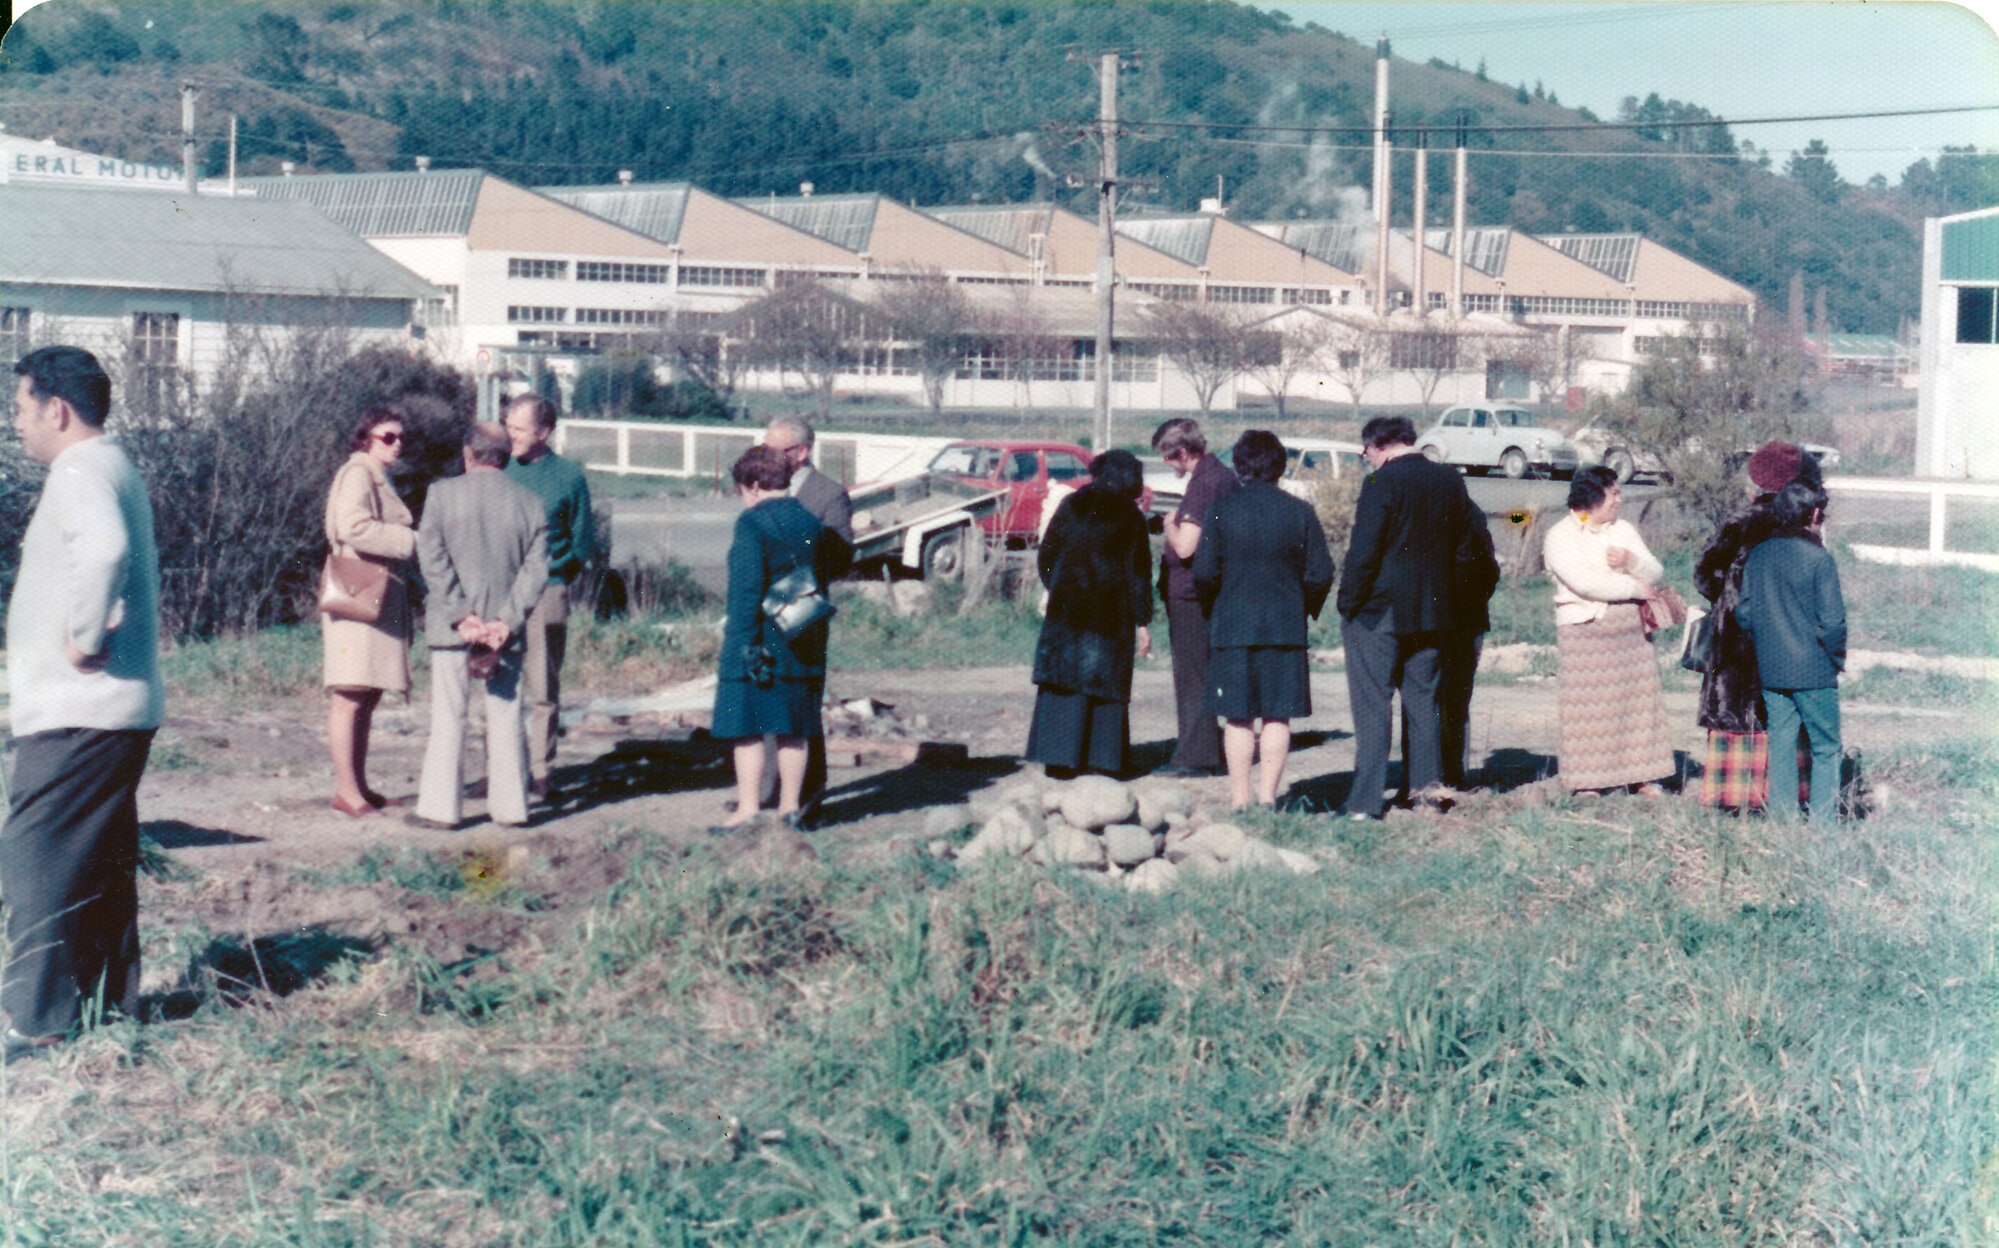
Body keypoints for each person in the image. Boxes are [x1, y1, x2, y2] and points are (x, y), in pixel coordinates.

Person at [2, 346, 164, 1063]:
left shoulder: (77, 471)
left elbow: (104, 551)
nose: (16, 424)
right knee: (97, 864)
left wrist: (81, 637)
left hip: (79, 709)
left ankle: (35, 1023)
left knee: (35, 861)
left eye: (19, 408)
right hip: (107, 711)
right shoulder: (112, 463)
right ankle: (103, 1006)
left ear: (55, 409)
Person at [1336, 415, 1490, 820]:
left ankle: (1364, 803)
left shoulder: (1380, 482)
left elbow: (1364, 552)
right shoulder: (1450, 480)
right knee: (1424, 703)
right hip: (1434, 611)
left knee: (1373, 705)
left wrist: (1347, 602)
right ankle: (1425, 794)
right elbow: (1462, 548)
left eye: (1365, 452)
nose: (1367, 460)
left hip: (1380, 612)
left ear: (1377, 446)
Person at [409, 423, 549, 830]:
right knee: (506, 717)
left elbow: (431, 556)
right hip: (506, 632)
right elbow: (537, 569)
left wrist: (460, 614)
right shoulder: (530, 503)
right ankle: (511, 809)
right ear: (505, 456)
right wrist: (507, 620)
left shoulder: (441, 494)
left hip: (453, 629)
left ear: (468, 453)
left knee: (449, 716)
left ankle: (441, 810)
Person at [1194, 431, 1335, 810]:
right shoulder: (1300, 511)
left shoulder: (1221, 509)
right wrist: (1299, 607)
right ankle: (1269, 798)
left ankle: (1240, 800)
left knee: (1237, 717)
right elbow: (1321, 573)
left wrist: (1216, 608)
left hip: (1233, 625)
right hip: (1285, 627)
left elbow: (1204, 574)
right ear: (1280, 465)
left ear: (1239, 465)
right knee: (1277, 714)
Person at [710, 445, 847, 833]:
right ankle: (790, 808)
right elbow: (825, 572)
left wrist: (736, 648)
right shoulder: (810, 521)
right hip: (802, 636)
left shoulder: (751, 524)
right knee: (794, 727)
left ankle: (749, 808)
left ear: (752, 485)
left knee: (748, 728)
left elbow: (746, 594)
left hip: (758, 641)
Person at [1693, 442, 1824, 811]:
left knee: (1737, 709)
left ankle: (1735, 796)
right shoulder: (1802, 525)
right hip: (1789, 640)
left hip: (1737, 642)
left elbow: (1704, 576)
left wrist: (1731, 595)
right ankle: (1787, 794)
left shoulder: (1740, 521)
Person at [1543, 465, 1674, 797]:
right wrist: (1633, 586)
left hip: (1629, 633)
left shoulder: (1624, 529)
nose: (1620, 499)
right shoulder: (1561, 535)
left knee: (1638, 705)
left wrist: (1632, 560)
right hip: (1584, 631)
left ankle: (1642, 776)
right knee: (1587, 709)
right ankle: (1589, 781)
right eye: (1614, 492)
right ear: (1593, 496)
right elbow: (1584, 583)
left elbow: (1655, 571)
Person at [1024, 449, 1154, 780]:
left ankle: (1058, 758)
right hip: (1111, 615)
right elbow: (1138, 574)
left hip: (1067, 609)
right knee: (1103, 680)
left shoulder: (1072, 505)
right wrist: (1142, 620)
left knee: (1063, 679)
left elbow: (1047, 554)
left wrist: (1060, 587)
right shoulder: (1130, 516)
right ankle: (1102, 760)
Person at [323, 407, 419, 817]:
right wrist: (408, 540)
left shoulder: (371, 474)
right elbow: (352, 528)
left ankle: (358, 787)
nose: (397, 444)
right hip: (359, 596)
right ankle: (348, 792)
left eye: (400, 437)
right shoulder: (358, 473)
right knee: (349, 694)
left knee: (366, 693)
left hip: (372, 598)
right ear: (365, 438)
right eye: (387, 437)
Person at [503, 394, 599, 802]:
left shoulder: (569, 478)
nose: (511, 436)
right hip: (501, 594)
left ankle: (542, 773)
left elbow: (581, 543)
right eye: (507, 426)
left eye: (520, 429)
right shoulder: (498, 468)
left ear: (544, 433)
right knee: (502, 687)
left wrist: (555, 579)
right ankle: (502, 771)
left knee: (543, 688)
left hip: (546, 593)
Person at [759, 416, 854, 824]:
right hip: (763, 606)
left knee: (802, 704)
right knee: (764, 696)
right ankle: (765, 794)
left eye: (774, 451)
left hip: (803, 608)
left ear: (800, 453)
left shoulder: (829, 494)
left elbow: (839, 556)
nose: (766, 459)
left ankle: (808, 801)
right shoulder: (762, 486)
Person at [1737, 478, 1846, 823]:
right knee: (1826, 748)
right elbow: (1832, 624)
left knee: (1781, 746)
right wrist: (1836, 659)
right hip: (1814, 670)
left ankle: (1783, 825)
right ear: (1814, 514)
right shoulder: (1819, 559)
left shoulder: (1759, 554)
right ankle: (1822, 828)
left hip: (1773, 668)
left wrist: (1769, 639)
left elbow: (1745, 613)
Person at [1150, 417, 1238, 777]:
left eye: (1168, 458)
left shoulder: (1203, 485)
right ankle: (1206, 746)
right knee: (1202, 673)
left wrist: (1170, 522)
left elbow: (1186, 546)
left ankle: (1195, 756)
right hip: (1210, 591)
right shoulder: (1222, 476)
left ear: (1183, 452)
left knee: (1192, 676)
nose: (1167, 465)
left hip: (1190, 593)